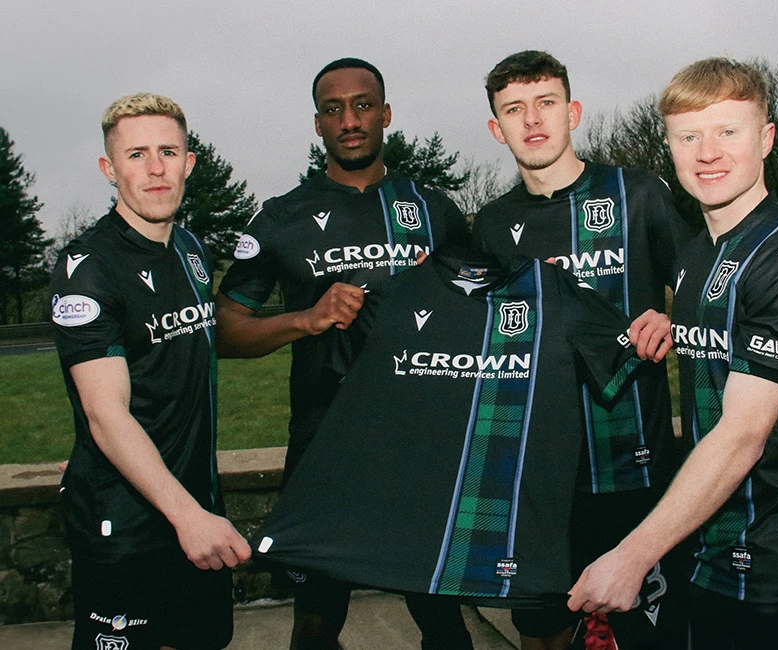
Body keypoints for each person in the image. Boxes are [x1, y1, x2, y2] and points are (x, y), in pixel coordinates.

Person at [566, 58, 778, 650]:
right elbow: (726, 341)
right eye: (688, 136)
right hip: (707, 555)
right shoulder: (696, 255)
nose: (708, 153)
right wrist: (671, 322)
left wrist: (633, 555)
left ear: (766, 139)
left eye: (728, 131)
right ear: (669, 148)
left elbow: (743, 434)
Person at [216, 58, 473, 650]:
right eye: (333, 110)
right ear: (318, 124)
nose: (349, 120)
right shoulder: (281, 217)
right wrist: (305, 319)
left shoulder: (433, 209)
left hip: (422, 448)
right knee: (315, 623)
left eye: (362, 106)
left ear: (386, 115)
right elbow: (224, 331)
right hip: (324, 449)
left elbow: (485, 309)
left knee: (443, 622)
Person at [474, 50, 692, 650]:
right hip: (539, 475)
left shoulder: (636, 193)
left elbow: (707, 287)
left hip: (633, 464)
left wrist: (672, 319)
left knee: (649, 634)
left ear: (572, 112)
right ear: (496, 128)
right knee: (544, 633)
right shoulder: (491, 225)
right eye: (514, 109)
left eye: (545, 102)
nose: (532, 119)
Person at [50, 93, 251, 650]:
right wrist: (188, 517)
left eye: (168, 151)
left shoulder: (190, 248)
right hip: (127, 524)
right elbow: (105, 412)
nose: (156, 168)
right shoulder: (87, 269)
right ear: (109, 169)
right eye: (136, 155)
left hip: (197, 506)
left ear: (188, 162)